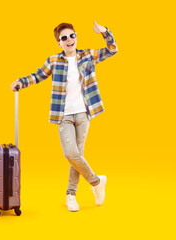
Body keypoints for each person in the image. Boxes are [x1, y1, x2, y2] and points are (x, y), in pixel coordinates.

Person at [11, 21, 118, 212]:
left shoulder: (87, 56)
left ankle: (71, 196)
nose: (69, 40)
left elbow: (112, 50)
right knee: (71, 154)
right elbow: (37, 76)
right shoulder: (53, 60)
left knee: (77, 156)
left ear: (76, 37)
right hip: (64, 115)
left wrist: (105, 32)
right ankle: (96, 181)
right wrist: (21, 81)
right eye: (64, 38)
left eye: (72, 35)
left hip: (84, 113)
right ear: (59, 42)